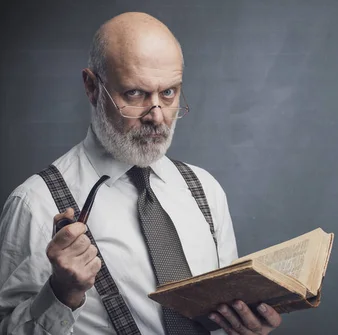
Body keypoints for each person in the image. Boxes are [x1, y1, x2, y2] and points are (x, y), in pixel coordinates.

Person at [0, 12, 282, 335]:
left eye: (169, 93)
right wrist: (61, 295)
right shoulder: (34, 204)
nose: (157, 117)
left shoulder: (206, 191)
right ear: (92, 88)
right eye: (135, 94)